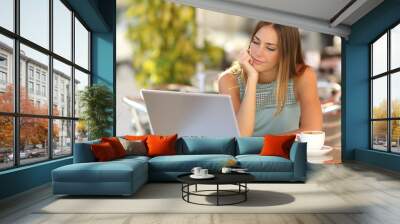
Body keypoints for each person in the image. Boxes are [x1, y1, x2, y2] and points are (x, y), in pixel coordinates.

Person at [218, 21, 322, 137]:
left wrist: (264, 144)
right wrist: (252, 78)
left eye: (270, 48)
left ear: (285, 53)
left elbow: (313, 130)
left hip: (284, 154)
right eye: (256, 42)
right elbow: (242, 136)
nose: (258, 53)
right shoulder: (228, 80)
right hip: (245, 155)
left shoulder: (302, 76)